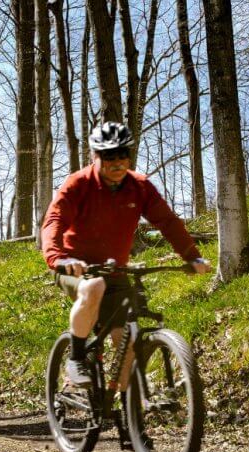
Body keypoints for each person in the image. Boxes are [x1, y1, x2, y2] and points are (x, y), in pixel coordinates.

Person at [41, 121, 211, 389]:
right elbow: (54, 220)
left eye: (123, 154)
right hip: (75, 267)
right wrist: (58, 258)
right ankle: (75, 358)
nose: (117, 162)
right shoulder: (78, 184)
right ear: (95, 156)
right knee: (94, 287)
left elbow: (167, 221)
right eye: (109, 156)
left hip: (115, 270)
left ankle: (120, 407)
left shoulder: (139, 186)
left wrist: (192, 256)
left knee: (127, 342)